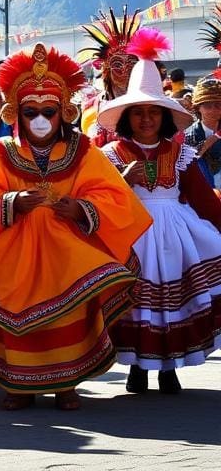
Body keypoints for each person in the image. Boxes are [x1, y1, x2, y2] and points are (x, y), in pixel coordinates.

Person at [0, 43, 152, 411]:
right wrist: (9, 203)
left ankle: (66, 385)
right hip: (14, 251)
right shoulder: (1, 151)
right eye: (31, 111)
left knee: (71, 311)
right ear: (17, 113)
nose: (40, 119)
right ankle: (18, 385)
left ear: (63, 113)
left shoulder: (83, 150)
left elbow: (114, 194)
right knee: (11, 310)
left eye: (49, 111)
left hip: (66, 253)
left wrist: (83, 208)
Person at [96, 28, 221, 395]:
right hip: (132, 240)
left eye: (153, 112)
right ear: (126, 117)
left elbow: (203, 200)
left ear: (164, 117)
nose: (147, 119)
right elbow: (100, 199)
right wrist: (121, 179)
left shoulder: (181, 154)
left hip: (177, 240)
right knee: (136, 303)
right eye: (139, 113)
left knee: (175, 303)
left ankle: (170, 367)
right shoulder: (110, 157)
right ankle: (136, 366)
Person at [79, 7, 141, 145]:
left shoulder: (151, 106)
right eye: (118, 64)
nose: (126, 70)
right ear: (106, 69)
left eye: (132, 63)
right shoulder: (91, 107)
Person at [185, 77, 221, 187]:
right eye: (207, 106)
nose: (213, 110)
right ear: (198, 108)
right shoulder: (189, 135)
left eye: (218, 105)